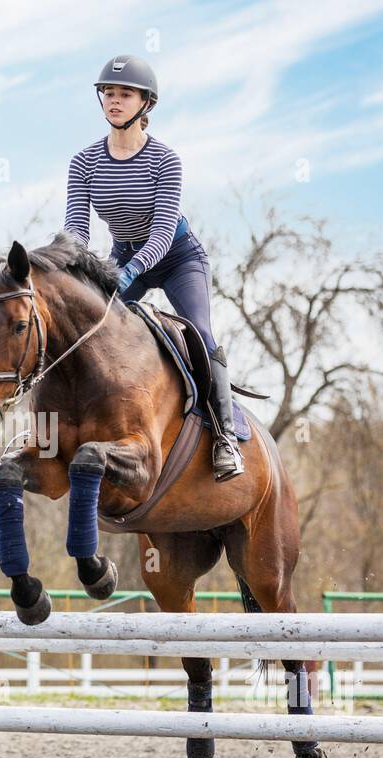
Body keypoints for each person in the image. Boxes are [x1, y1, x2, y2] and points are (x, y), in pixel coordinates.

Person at [63, 54, 243, 481]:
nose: (114, 100)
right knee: (89, 326)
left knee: (198, 331)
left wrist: (127, 273)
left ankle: (225, 438)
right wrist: (76, 272)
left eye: (124, 94)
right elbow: (76, 231)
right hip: (124, 255)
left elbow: (162, 232)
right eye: (108, 92)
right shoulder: (84, 162)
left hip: (178, 255)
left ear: (147, 104)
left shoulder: (165, 160)